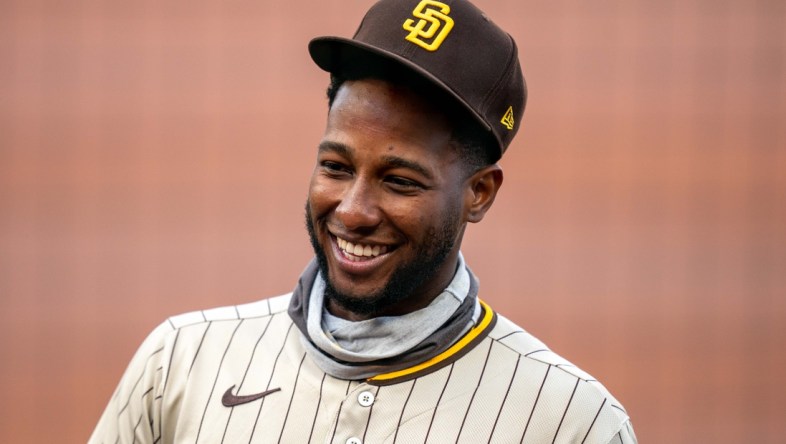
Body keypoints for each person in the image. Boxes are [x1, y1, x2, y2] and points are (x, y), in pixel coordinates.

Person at [90, 0, 637, 442]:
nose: (351, 210)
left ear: (479, 193)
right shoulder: (180, 364)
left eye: (400, 181)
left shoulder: (570, 422)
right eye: (335, 166)